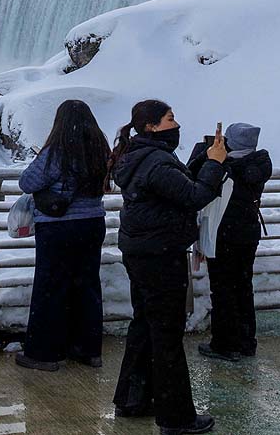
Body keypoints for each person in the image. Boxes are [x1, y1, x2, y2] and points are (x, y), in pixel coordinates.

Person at [110, 100, 226, 435]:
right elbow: (193, 196)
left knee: (145, 325)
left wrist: (205, 157)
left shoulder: (140, 155)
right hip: (160, 255)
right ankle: (176, 419)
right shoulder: (156, 161)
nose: (176, 124)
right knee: (166, 334)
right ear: (151, 126)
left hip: (142, 251)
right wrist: (216, 165)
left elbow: (176, 186)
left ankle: (133, 399)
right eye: (170, 119)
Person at [14, 99, 111, 372]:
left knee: (50, 288)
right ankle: (88, 349)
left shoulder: (58, 150)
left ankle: (44, 353)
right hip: (93, 223)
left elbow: (27, 181)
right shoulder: (100, 150)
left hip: (59, 227)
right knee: (88, 285)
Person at [186, 123, 272, 361]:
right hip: (248, 232)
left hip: (223, 233)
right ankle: (246, 342)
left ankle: (225, 344)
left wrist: (206, 151)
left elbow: (193, 175)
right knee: (243, 287)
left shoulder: (225, 166)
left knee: (222, 288)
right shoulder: (258, 163)